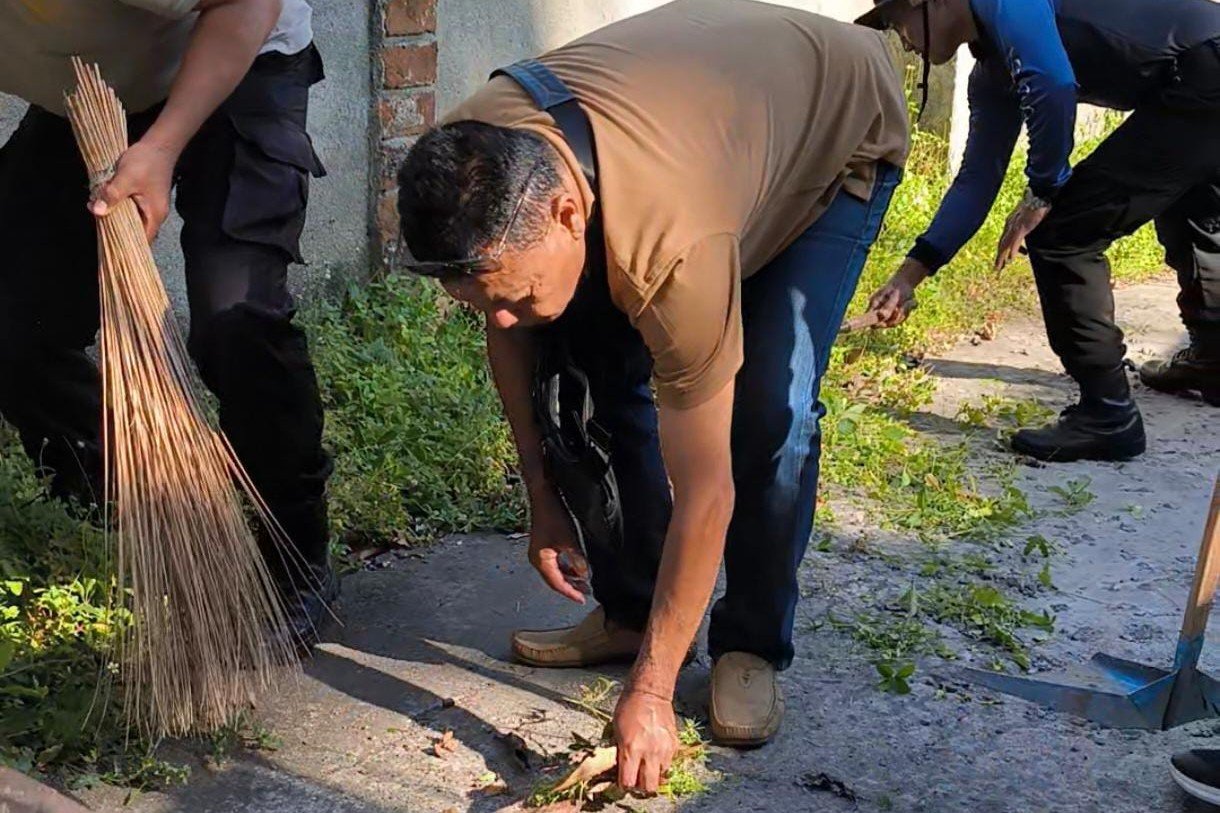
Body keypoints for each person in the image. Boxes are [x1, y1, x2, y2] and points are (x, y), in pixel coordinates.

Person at [394, 0, 907, 793]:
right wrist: (541, 495)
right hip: (713, 137)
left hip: (835, 135)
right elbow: (512, 335)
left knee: (772, 407)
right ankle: (634, 612)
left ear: (569, 213)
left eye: (512, 293)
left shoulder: (674, 246)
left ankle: (749, 644)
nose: (499, 316)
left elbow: (707, 493)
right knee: (586, 368)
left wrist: (653, 694)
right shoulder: (475, 163)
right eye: (480, 297)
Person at [0, 0, 335, 644]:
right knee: (14, 319)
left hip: (239, 55)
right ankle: (134, 515)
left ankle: (295, 557)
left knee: (235, 319)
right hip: (94, 87)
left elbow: (247, 4)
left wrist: (159, 148)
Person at [859, 0, 1220, 462]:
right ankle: (1212, 360)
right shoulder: (992, 74)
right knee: (1191, 208)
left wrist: (1044, 192)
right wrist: (908, 277)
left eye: (896, 21)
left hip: (1206, 69)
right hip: (1201, 78)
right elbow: (976, 181)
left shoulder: (1007, 4)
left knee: (1064, 233)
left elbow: (1053, 83)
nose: (902, 40)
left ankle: (1107, 417)